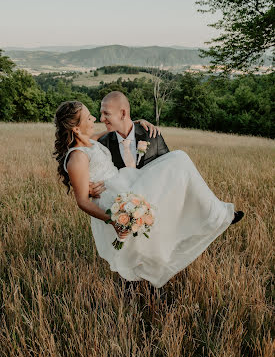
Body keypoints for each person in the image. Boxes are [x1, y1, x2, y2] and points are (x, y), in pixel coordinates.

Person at [54, 100, 244, 289]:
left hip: (125, 182)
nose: (95, 118)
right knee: (178, 160)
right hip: (115, 198)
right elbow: (82, 202)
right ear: (77, 129)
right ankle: (217, 215)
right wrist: (114, 220)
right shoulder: (77, 157)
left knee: (178, 162)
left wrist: (134, 122)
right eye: (89, 117)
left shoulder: (90, 141)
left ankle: (214, 213)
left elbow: (109, 131)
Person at [88, 91, 170, 199]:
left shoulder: (152, 135)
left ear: (123, 114)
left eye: (106, 114)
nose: (101, 119)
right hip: (122, 210)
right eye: (101, 113)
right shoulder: (103, 144)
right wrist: (90, 191)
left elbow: (169, 170)